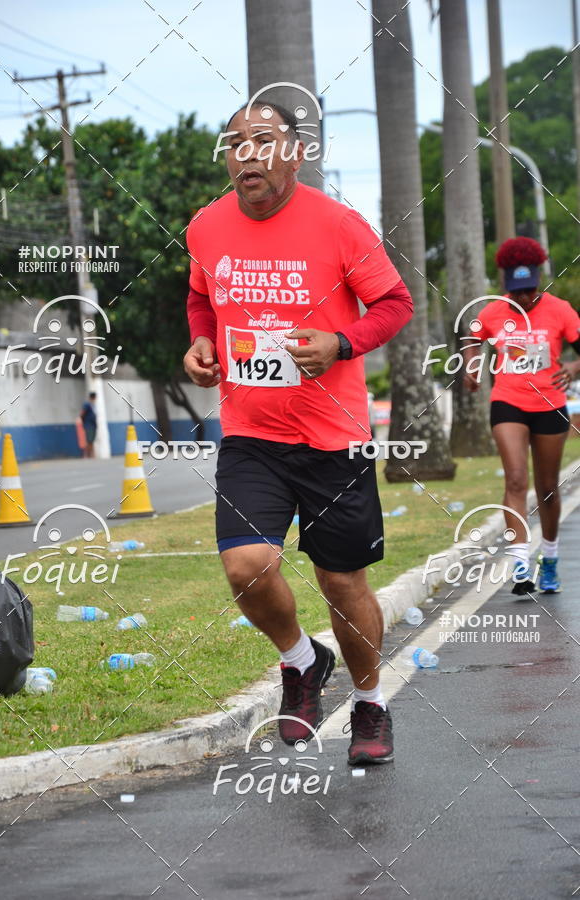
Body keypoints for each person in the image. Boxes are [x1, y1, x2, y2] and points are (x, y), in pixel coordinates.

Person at [183, 101, 413, 766]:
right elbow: (203, 295)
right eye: (235, 143)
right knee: (246, 566)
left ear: (296, 152)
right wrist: (202, 339)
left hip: (333, 436)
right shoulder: (207, 226)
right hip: (251, 432)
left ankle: (370, 701)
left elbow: (395, 303)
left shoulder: (339, 225)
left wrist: (342, 343)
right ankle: (301, 662)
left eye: (262, 140)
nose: (246, 154)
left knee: (343, 585)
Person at [464, 237, 580, 594]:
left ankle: (549, 557)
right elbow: (471, 337)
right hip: (508, 402)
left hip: (550, 405)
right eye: (517, 292)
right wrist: (471, 364)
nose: (524, 298)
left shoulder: (561, 310)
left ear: (539, 281)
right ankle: (519, 563)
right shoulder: (493, 311)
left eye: (529, 290)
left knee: (546, 488)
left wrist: (574, 368)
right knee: (515, 479)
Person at [80, 392, 97, 459]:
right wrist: (83, 421)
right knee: (89, 440)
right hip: (89, 425)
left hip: (93, 425)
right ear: (93, 397)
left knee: (91, 440)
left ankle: (91, 454)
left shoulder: (93, 405)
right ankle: (87, 455)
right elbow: (82, 413)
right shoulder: (87, 404)